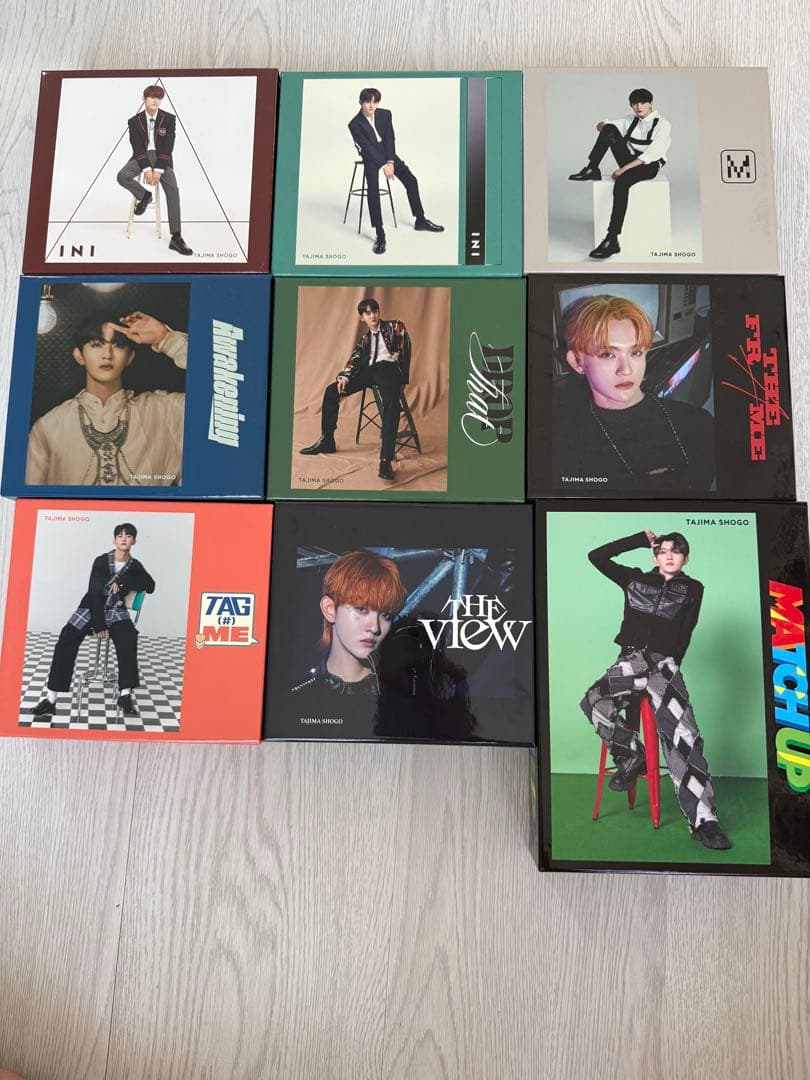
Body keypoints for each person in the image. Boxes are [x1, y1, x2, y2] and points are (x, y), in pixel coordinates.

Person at [580, 528, 731, 850]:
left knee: (685, 737)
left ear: (685, 558)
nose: (669, 556)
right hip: (631, 661)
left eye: (676, 551)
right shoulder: (634, 580)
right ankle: (632, 756)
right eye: (663, 551)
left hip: (664, 665)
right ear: (655, 555)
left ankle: (705, 821)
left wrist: (670, 667)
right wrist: (637, 539)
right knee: (593, 701)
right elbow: (596, 556)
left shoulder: (693, 589)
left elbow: (686, 632)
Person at [554, 293, 714, 491]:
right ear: (577, 362)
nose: (626, 370)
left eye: (635, 352)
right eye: (607, 354)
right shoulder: (561, 445)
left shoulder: (699, 423)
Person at [26, 310, 188, 487]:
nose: (107, 355)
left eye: (118, 345)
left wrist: (165, 338)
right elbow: (27, 497)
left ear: (130, 357)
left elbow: (212, 396)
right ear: (79, 356)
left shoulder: (164, 412)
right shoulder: (48, 427)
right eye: (96, 345)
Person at [30, 523, 156, 720]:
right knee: (65, 639)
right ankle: (50, 699)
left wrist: (123, 582)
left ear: (134, 541)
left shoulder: (135, 566)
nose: (124, 539)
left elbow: (150, 585)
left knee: (129, 637)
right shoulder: (101, 561)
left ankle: (125, 696)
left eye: (128, 536)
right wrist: (99, 625)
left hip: (116, 609)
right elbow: (94, 593)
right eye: (120, 536)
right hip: (91, 607)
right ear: (114, 540)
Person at [300, 297, 411, 482]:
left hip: (388, 370)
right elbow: (355, 358)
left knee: (391, 405)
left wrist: (403, 379)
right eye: (368, 313)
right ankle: (327, 440)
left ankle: (385, 460)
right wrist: (344, 376)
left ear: (379, 312)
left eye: (375, 311)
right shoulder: (365, 339)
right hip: (368, 371)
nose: (372, 315)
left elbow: (406, 349)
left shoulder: (395, 326)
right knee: (331, 391)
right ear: (362, 318)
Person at [568, 88, 671, 259]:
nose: (639, 107)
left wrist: (623, 170)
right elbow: (603, 124)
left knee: (622, 182)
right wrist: (604, 127)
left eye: (643, 103)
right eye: (635, 103)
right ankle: (592, 168)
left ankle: (612, 239)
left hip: (649, 165)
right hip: (629, 160)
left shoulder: (663, 125)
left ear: (651, 104)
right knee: (609, 128)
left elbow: (651, 155)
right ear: (631, 105)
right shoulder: (630, 120)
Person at [291, 550, 408, 697]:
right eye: (361, 609)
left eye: (386, 615)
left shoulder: (401, 694)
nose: (375, 627)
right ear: (330, 609)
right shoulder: (298, 696)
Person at [348, 87, 444, 255]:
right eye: (368, 102)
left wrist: (390, 161)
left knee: (411, 180)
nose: (371, 106)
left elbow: (390, 138)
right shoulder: (354, 124)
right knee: (373, 191)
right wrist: (383, 165)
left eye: (375, 102)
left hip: (387, 154)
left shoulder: (385, 114)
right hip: (370, 157)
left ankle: (420, 220)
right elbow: (367, 147)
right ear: (360, 103)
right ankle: (380, 233)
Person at [116, 84, 193, 256]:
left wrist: (158, 170)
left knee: (173, 190)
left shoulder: (169, 119)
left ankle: (176, 237)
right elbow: (137, 147)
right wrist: (146, 169)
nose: (155, 100)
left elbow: (168, 147)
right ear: (144, 99)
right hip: (141, 157)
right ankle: (144, 195)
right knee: (122, 176)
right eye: (152, 97)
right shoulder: (134, 121)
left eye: (158, 98)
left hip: (162, 159)